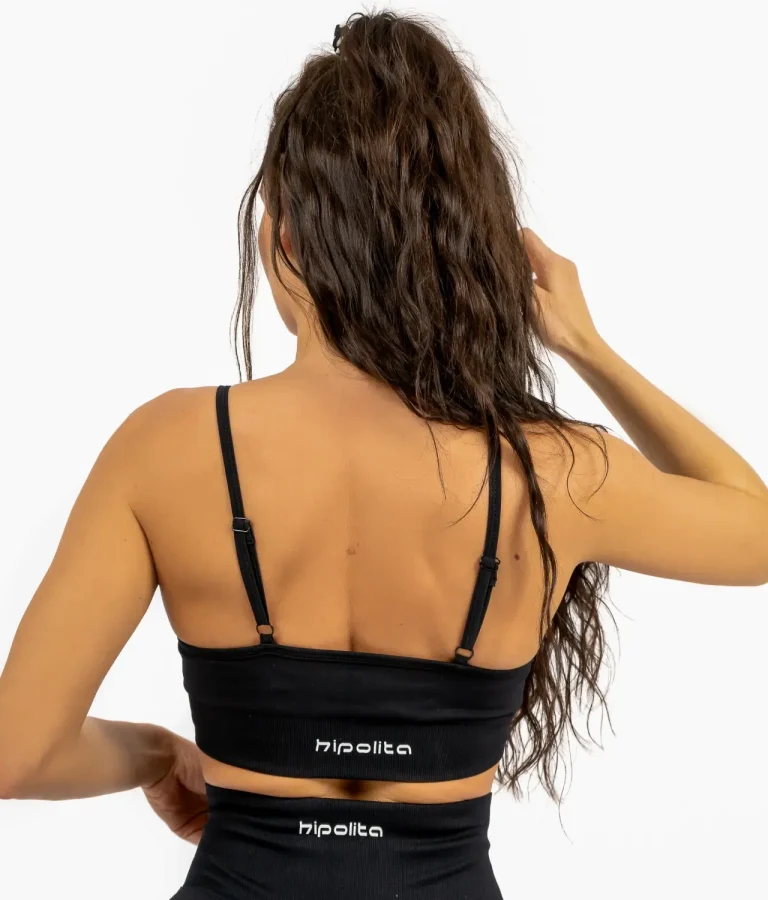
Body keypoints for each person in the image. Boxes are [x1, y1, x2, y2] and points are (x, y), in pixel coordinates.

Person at [1, 10, 766, 900]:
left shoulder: (165, 449)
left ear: (284, 240)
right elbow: (754, 530)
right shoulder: (554, 473)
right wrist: (585, 346)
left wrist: (156, 755)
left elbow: (19, 754)